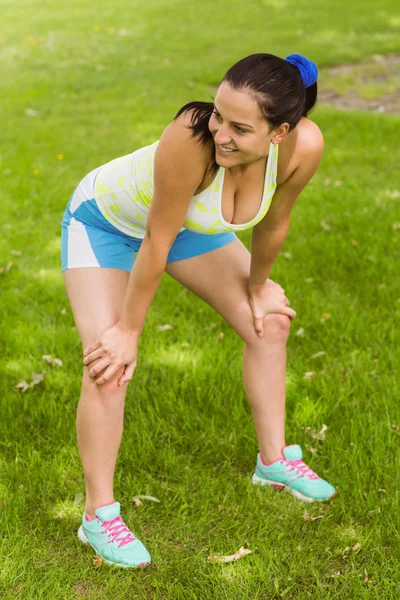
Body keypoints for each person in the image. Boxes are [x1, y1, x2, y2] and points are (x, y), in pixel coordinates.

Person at [61, 52, 336, 569]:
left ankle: (273, 461)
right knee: (109, 365)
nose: (221, 134)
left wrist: (258, 287)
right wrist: (127, 330)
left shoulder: (305, 147)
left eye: (239, 126)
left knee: (270, 321)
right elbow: (155, 241)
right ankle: (98, 514)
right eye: (217, 113)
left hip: (190, 229)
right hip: (106, 225)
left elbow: (273, 224)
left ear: (280, 132)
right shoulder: (190, 141)